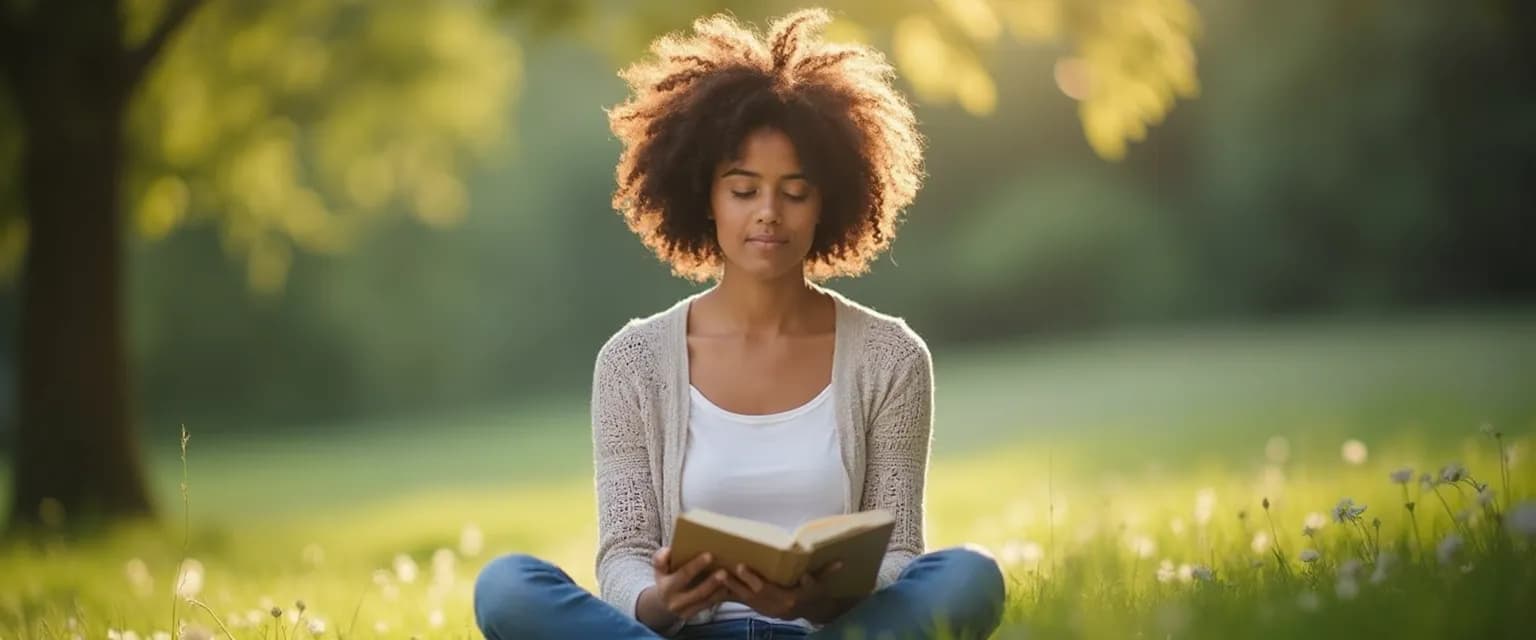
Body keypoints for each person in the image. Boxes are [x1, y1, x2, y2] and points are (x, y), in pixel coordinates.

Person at [474, 8, 1005, 639]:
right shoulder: (633, 361)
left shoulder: (891, 357)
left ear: (828, 200)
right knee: (507, 587)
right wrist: (661, 602)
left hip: (829, 634)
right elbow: (622, 553)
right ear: (704, 195)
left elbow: (900, 552)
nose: (769, 214)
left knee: (971, 576)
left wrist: (821, 602)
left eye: (795, 191)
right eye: (744, 188)